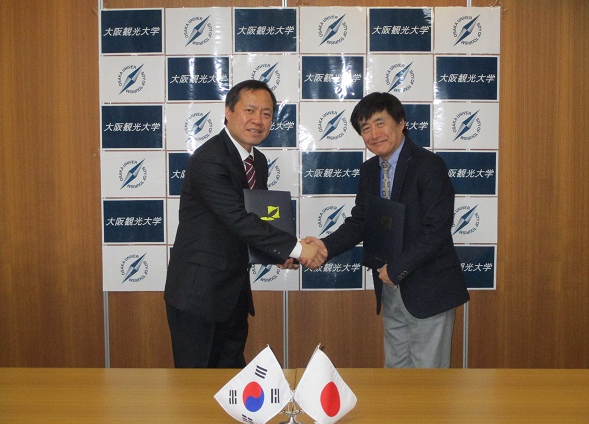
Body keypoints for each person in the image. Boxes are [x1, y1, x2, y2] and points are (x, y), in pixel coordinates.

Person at [164, 80, 326, 368]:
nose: (258, 120)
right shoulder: (210, 159)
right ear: (228, 112)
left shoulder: (257, 161)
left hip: (232, 295)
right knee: (196, 384)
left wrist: (280, 255)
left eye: (266, 113)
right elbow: (238, 219)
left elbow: (253, 222)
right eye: (249, 110)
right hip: (198, 296)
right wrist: (299, 248)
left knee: (232, 380)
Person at [306, 92, 469, 368]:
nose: (373, 134)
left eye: (380, 123)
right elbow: (361, 221)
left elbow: (436, 230)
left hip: (428, 289)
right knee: (395, 372)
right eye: (365, 128)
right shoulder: (370, 170)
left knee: (428, 378)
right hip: (390, 288)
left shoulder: (428, 165)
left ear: (401, 122)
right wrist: (324, 246)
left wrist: (397, 269)